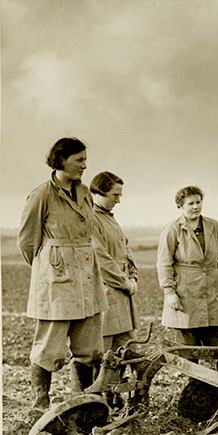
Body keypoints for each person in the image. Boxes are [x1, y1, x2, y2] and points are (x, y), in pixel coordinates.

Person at [17, 137, 108, 411]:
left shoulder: (85, 193)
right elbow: (27, 241)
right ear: (61, 160)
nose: (84, 165)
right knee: (49, 346)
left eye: (84, 159)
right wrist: (49, 267)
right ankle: (40, 403)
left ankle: (84, 402)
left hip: (87, 276)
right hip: (56, 280)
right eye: (79, 159)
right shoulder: (41, 194)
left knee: (89, 346)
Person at [157, 186, 218, 348]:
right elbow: (164, 263)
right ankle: (193, 374)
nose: (196, 207)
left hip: (210, 292)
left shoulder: (213, 225)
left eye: (198, 202)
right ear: (181, 205)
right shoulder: (172, 229)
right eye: (191, 203)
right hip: (185, 294)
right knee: (189, 350)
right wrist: (170, 292)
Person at [89, 171, 139, 403]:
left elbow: (125, 251)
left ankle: (115, 398)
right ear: (98, 192)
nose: (118, 200)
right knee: (101, 354)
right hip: (105, 294)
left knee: (126, 349)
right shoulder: (90, 219)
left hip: (122, 295)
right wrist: (125, 283)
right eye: (114, 195)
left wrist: (134, 276)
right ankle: (95, 402)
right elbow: (101, 259)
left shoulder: (110, 217)